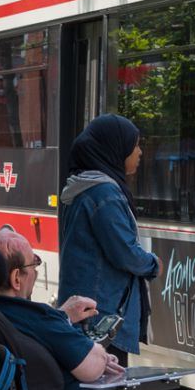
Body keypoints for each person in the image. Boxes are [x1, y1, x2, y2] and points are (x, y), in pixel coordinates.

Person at [0, 230, 176, 390]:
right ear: (16, 278)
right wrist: (98, 353)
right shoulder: (36, 316)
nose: (36, 272)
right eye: (34, 264)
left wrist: (62, 320)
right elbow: (92, 368)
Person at [57, 114, 160, 367]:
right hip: (103, 315)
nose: (139, 152)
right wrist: (152, 263)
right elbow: (123, 251)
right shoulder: (104, 193)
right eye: (134, 145)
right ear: (115, 149)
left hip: (88, 309)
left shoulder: (84, 187)